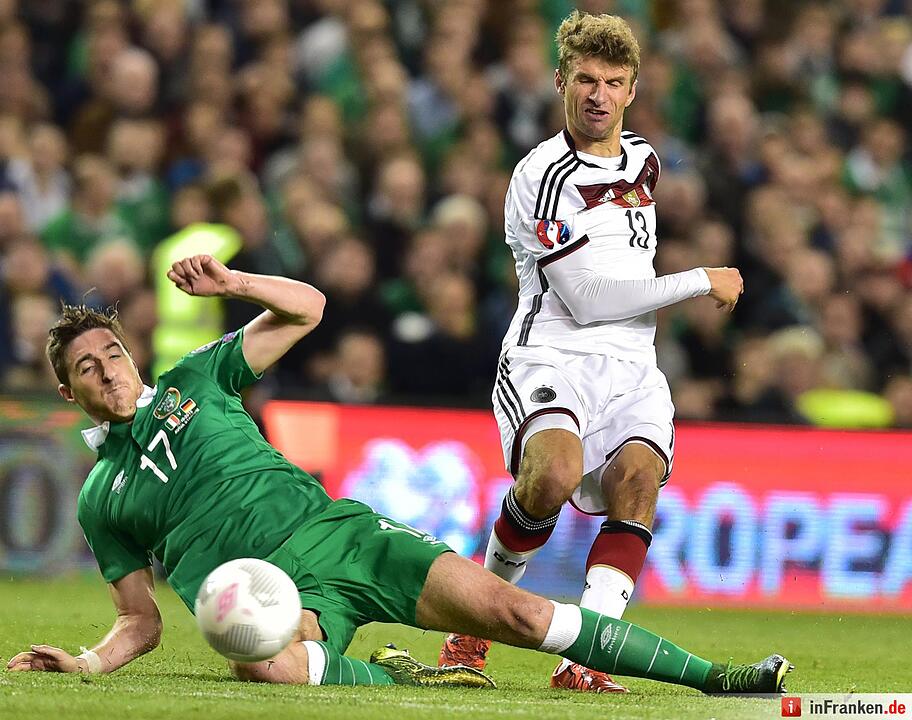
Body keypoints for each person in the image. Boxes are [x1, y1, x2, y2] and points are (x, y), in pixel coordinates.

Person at [5, 254, 786, 697]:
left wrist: (236, 285)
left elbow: (308, 307)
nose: (107, 371)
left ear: (128, 353)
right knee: (260, 660)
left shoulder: (193, 380)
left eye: (111, 352)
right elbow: (140, 621)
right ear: (69, 391)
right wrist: (84, 660)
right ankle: (406, 683)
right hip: (278, 597)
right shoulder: (99, 497)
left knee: (517, 615)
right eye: (87, 368)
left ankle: (716, 679)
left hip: (343, 536)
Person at [439, 11, 744, 693]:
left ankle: (587, 658)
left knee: (639, 482)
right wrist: (702, 278)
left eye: (613, 81)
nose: (597, 94)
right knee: (550, 479)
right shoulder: (539, 176)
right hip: (553, 354)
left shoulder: (644, 159)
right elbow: (588, 300)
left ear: (633, 89)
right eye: (584, 79)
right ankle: (472, 630)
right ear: (560, 82)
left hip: (633, 366)